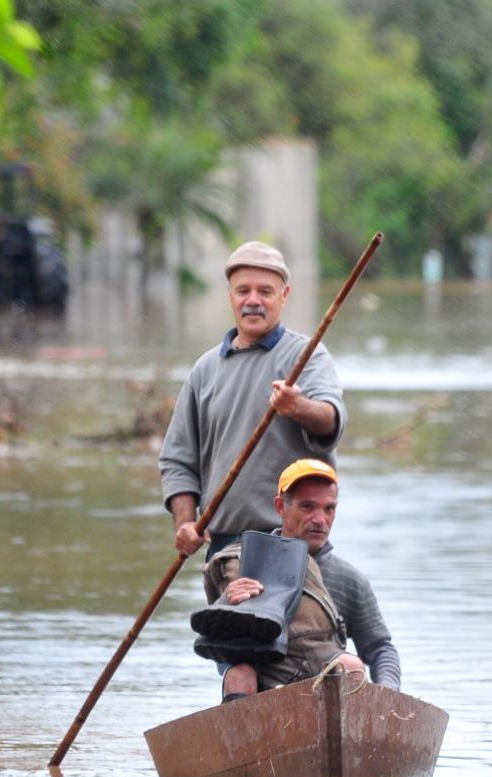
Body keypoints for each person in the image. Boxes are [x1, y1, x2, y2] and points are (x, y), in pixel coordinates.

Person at [159, 241, 347, 558]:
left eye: (265, 291)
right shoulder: (205, 370)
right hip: (222, 547)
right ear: (230, 295)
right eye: (243, 291)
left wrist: (298, 407)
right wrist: (186, 523)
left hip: (292, 547)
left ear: (284, 296)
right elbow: (178, 459)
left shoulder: (307, 355)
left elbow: (331, 419)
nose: (253, 301)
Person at [199, 459, 400, 701]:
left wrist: (388, 694)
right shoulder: (243, 564)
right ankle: (240, 736)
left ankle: (348, 737)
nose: (320, 519)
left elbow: (380, 648)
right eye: (307, 507)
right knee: (239, 673)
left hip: (323, 687)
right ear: (281, 507)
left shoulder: (349, 579)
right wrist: (227, 602)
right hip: (261, 685)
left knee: (350, 665)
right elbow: (215, 643)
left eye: (329, 509)